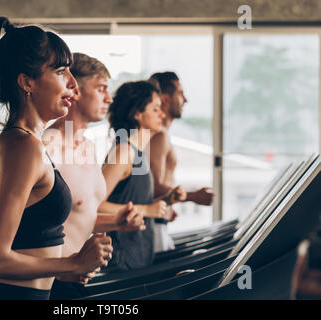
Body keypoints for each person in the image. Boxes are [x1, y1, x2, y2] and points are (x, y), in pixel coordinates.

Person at [0, 17, 112, 300]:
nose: (73, 84)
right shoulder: (24, 148)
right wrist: (72, 262)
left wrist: (59, 267)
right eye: (61, 71)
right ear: (26, 82)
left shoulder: (21, 144)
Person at [43, 52, 146, 299]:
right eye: (101, 89)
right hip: (48, 284)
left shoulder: (88, 147)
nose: (109, 99)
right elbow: (20, 232)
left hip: (77, 281)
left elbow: (75, 218)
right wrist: (69, 264)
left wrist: (118, 222)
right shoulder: (48, 147)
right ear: (74, 90)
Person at [98, 80, 177, 272]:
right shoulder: (124, 151)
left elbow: (130, 199)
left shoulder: (137, 152)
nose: (162, 114)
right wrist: (147, 210)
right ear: (137, 114)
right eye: (155, 109)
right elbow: (96, 205)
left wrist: (165, 201)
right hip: (121, 262)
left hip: (137, 258)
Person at [148, 72, 215, 252]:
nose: (185, 100)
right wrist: (193, 196)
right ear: (165, 99)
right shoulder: (158, 136)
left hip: (157, 220)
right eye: (180, 93)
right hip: (151, 226)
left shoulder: (160, 134)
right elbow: (152, 186)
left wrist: (169, 203)